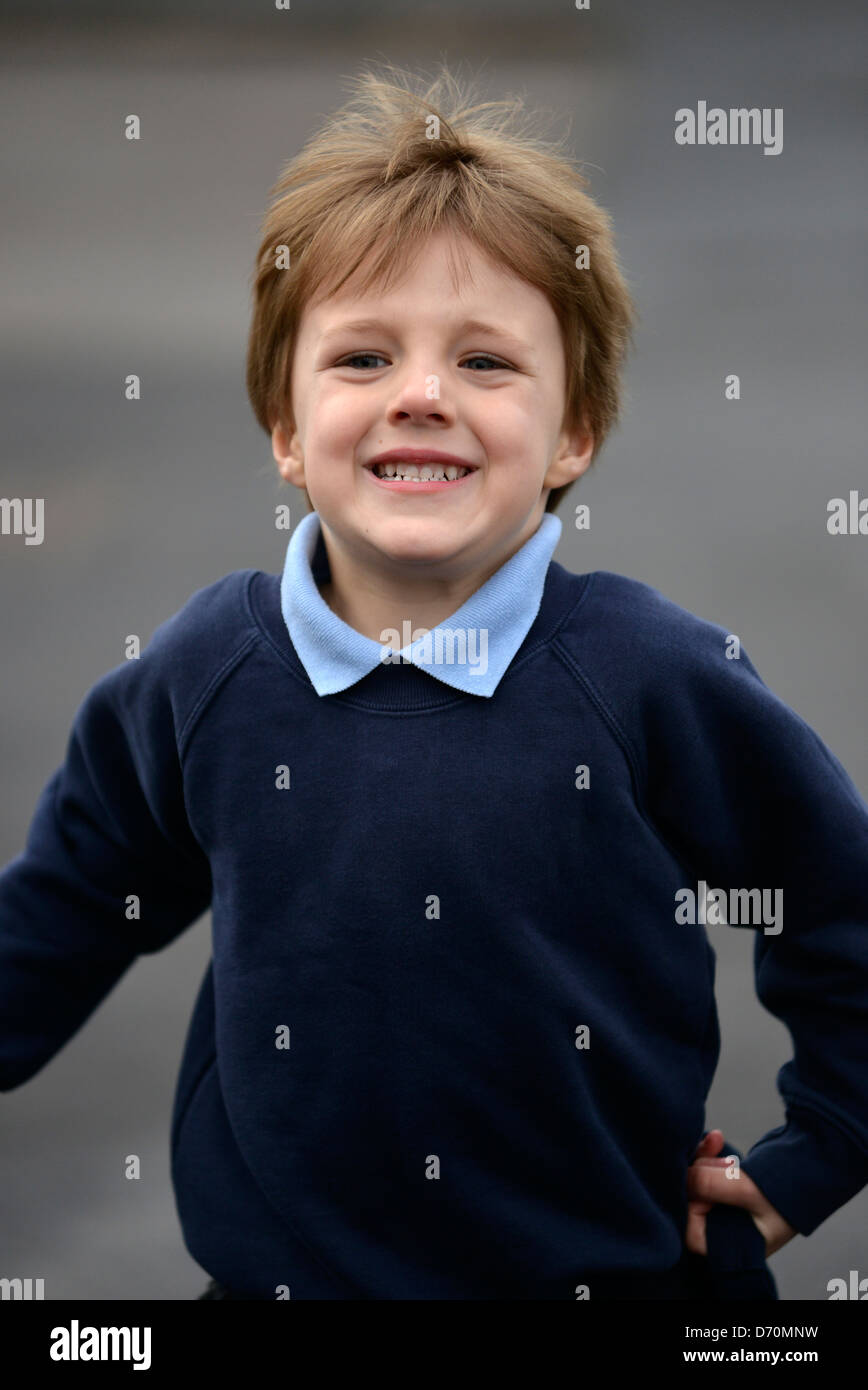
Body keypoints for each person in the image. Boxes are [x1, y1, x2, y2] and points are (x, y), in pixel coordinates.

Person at [2, 65, 866, 1301]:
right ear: (285, 427)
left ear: (573, 432)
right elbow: (67, 908)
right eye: (360, 356)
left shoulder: (653, 677)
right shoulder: (204, 673)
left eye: (485, 362)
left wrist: (821, 1145)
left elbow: (837, 904)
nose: (420, 393)